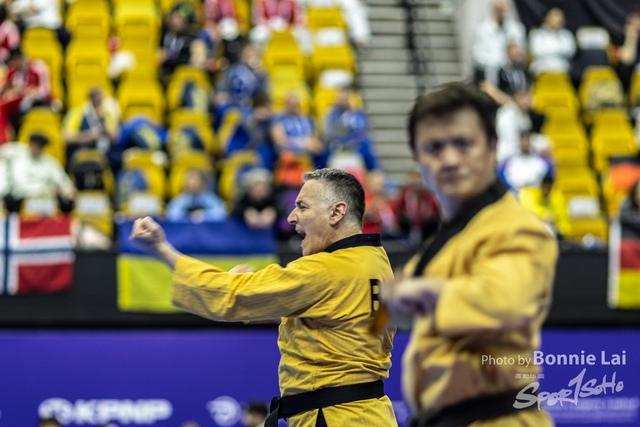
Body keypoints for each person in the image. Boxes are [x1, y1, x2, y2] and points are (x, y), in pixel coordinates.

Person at [129, 168, 398, 427]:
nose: (291, 217)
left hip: (332, 417)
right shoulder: (376, 261)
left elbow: (231, 295)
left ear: (337, 212)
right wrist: (261, 300)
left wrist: (160, 249)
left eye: (302, 207)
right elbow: (334, 319)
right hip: (372, 415)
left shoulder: (325, 270)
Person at [379, 83, 558, 427]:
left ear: (493, 146)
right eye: (433, 148)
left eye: (463, 144)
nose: (449, 160)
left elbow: (503, 302)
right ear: (417, 159)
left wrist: (423, 293)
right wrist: (396, 305)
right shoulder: (447, 239)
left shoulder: (519, 228)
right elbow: (390, 312)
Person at [0, 133, 76, 213]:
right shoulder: (16, 154)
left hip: (43, 201)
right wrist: (48, 189)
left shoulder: (48, 162)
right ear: (30, 143)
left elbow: (62, 179)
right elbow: (21, 186)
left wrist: (68, 189)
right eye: (34, 144)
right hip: (17, 200)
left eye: (39, 146)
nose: (36, 148)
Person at [0, 47, 53, 143]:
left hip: (37, 101)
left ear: (23, 57)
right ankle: (3, 138)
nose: (15, 64)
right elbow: (3, 89)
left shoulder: (38, 67)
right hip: (18, 102)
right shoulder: (12, 69)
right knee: (3, 106)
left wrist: (31, 92)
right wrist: (9, 91)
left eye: (17, 60)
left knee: (18, 112)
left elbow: (45, 91)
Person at [471, 0, 526, 85]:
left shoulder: (516, 28)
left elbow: (520, 51)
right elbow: (476, 55)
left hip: (509, 71)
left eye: (503, 10)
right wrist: (497, 62)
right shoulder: (482, 29)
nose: (501, 13)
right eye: (498, 10)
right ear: (493, 10)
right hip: (488, 71)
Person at [62, 87, 121, 163]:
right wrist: (88, 136)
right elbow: (66, 137)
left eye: (99, 100)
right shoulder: (77, 113)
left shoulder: (107, 114)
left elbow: (114, 138)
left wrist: (102, 122)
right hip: (82, 151)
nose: (97, 103)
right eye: (94, 100)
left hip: (103, 153)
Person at [519, 174, 571, 238]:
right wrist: (545, 214)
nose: (547, 188)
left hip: (551, 235)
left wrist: (561, 230)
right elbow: (529, 206)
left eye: (549, 185)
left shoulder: (556, 197)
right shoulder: (530, 193)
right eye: (544, 184)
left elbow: (563, 219)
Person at [528, 7, 576, 76]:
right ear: (547, 19)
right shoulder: (536, 34)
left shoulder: (567, 34)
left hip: (563, 71)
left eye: (561, 18)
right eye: (556, 16)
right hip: (541, 70)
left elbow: (571, 51)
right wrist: (560, 50)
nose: (560, 20)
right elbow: (537, 51)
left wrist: (548, 48)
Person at [614, 6, 640, 94]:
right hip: (628, 91)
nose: (635, 25)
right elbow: (627, 62)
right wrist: (631, 39)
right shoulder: (619, 42)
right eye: (630, 23)